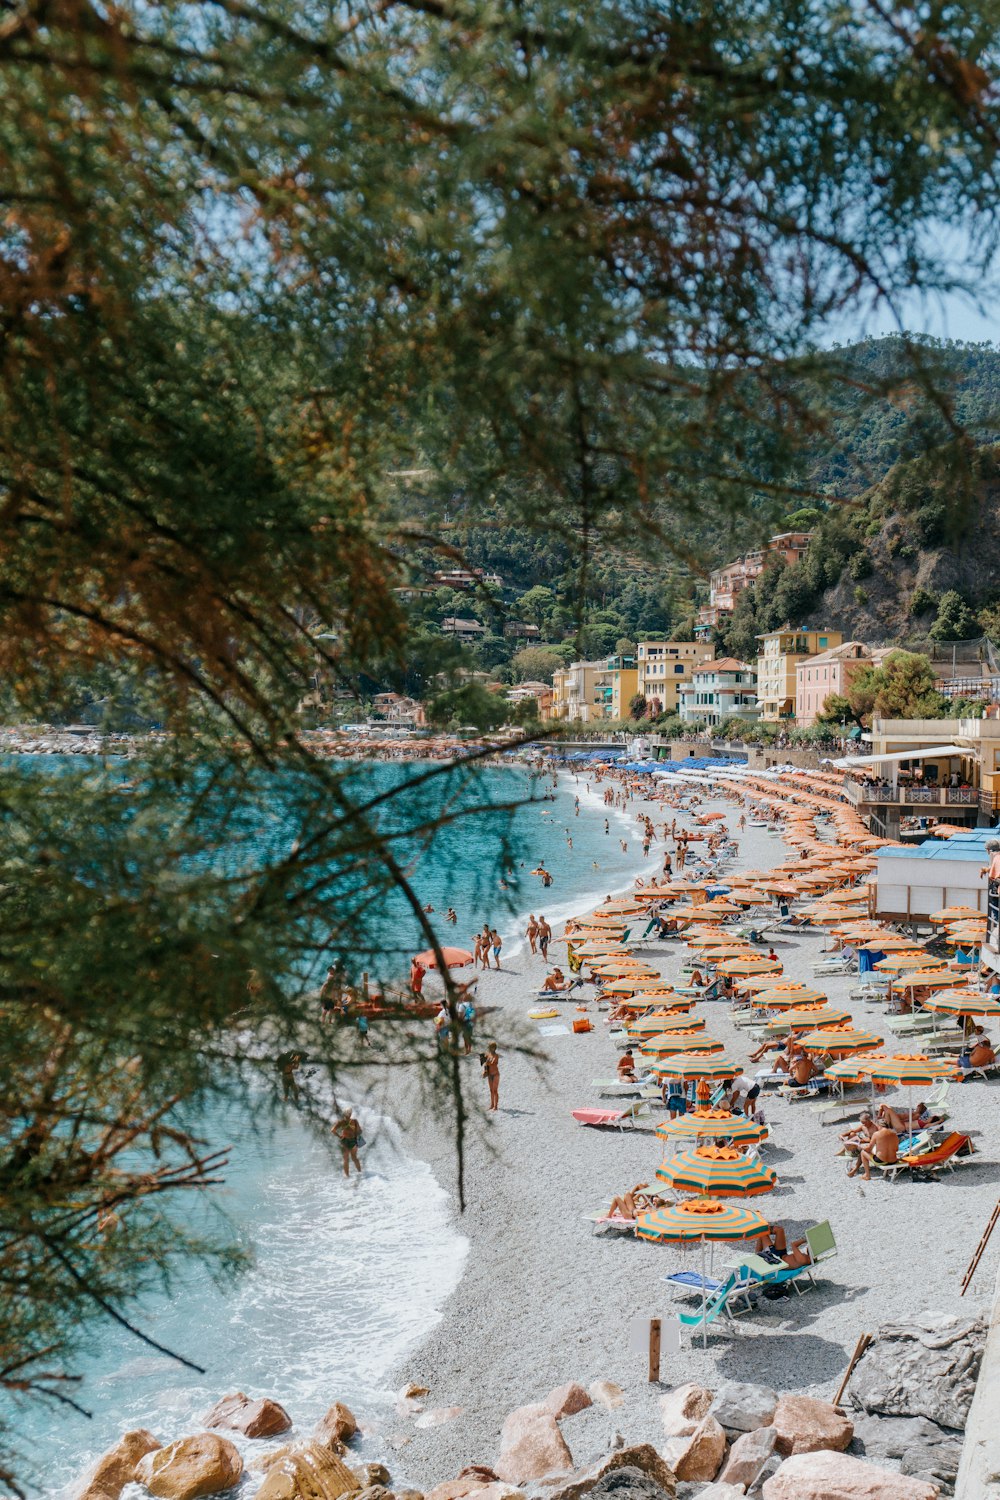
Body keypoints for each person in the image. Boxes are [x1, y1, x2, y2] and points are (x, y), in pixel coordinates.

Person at [332, 1108, 363, 1178]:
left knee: (346, 1159)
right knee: (354, 1158)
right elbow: (360, 1131)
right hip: (353, 1140)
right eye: (349, 1113)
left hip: (345, 1141)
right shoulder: (354, 1121)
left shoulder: (341, 1122)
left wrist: (339, 1136)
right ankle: (360, 1174)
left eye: (349, 1112)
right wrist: (356, 1133)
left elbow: (333, 1130)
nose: (349, 1114)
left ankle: (348, 1177)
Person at [482, 1041, 500, 1110]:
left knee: (495, 1090)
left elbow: (493, 1063)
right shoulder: (488, 1054)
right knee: (491, 1090)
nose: (489, 1048)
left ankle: (496, 1106)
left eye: (490, 1047)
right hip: (490, 1074)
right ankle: (492, 1105)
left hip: (495, 1075)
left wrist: (487, 1061)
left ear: (494, 1048)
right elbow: (486, 1064)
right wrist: (485, 1071)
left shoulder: (496, 1055)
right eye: (489, 1047)